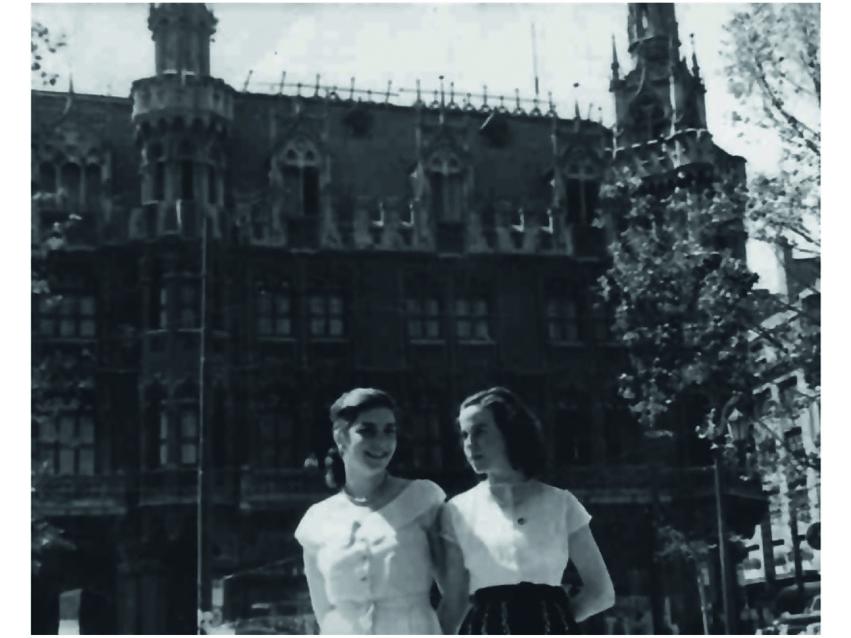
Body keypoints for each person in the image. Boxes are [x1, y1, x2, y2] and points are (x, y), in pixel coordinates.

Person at [437, 387, 615, 634]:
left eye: (480, 431)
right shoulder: (456, 511)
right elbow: (454, 602)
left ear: (509, 431)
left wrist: (554, 621)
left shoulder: (561, 504)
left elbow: (601, 592)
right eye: (464, 434)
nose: (470, 444)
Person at [294, 387, 446, 634]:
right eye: (367, 431)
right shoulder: (317, 520)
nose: (382, 442)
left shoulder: (423, 500)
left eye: (389, 431)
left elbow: (454, 594)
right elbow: (324, 610)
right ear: (341, 436)